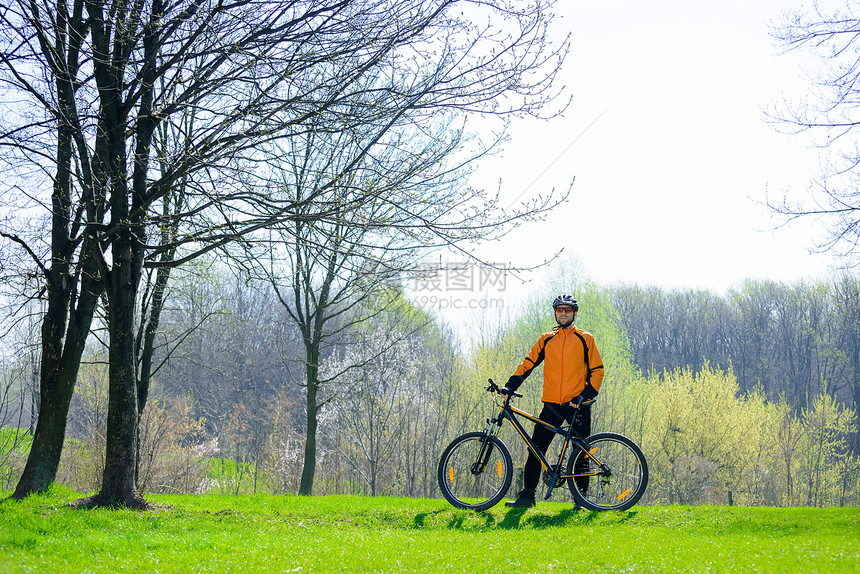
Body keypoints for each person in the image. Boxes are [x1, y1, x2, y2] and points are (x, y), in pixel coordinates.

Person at [500, 294, 605, 508]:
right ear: (555, 313)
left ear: (574, 313)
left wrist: (584, 396)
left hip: (576, 406)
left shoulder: (586, 339)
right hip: (551, 405)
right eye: (559, 310)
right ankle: (527, 496)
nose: (563, 313)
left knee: (581, 453)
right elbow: (528, 364)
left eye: (567, 310)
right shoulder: (547, 339)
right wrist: (510, 386)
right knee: (536, 449)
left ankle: (581, 500)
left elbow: (598, 371)